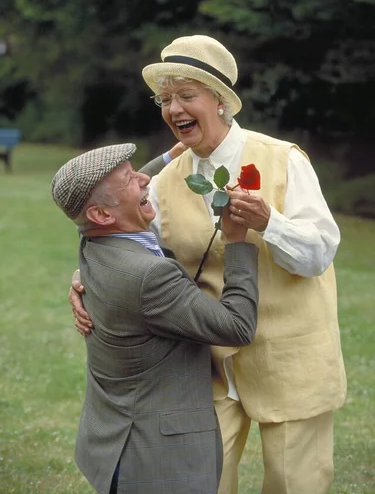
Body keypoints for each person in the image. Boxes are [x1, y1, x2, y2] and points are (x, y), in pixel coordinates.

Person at [71, 35, 347, 494]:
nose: (173, 108)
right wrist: (83, 279)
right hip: (211, 366)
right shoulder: (163, 183)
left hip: (292, 360)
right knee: (204, 483)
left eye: (186, 96)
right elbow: (128, 248)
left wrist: (269, 223)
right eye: (165, 99)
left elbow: (319, 253)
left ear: (220, 102)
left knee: (294, 484)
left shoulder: (283, 159)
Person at [52, 142, 259, 494]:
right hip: (157, 462)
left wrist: (171, 155)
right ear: (101, 215)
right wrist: (237, 241)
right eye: (131, 179)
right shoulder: (149, 276)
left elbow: (122, 191)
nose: (144, 180)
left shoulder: (94, 238)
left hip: (114, 441)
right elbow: (237, 326)